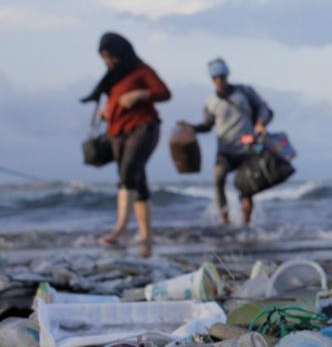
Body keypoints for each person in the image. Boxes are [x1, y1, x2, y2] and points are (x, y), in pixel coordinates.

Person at [81, 32, 171, 257]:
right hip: (118, 134)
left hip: (143, 128)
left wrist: (140, 94)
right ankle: (146, 236)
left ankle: (118, 230)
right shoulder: (113, 77)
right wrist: (107, 112)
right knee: (137, 182)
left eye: (109, 55)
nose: (107, 61)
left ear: (120, 52)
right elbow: (113, 102)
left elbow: (164, 92)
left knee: (128, 173)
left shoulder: (142, 70)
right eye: (103, 57)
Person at [180, 58, 273, 226]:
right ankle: (224, 220)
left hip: (247, 148)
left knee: (247, 187)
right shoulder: (210, 102)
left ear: (227, 75)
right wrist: (192, 128)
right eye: (216, 77)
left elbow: (263, 108)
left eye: (222, 76)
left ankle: (246, 222)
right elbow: (208, 125)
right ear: (212, 79)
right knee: (218, 178)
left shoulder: (244, 92)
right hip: (225, 150)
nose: (219, 80)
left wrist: (260, 122)